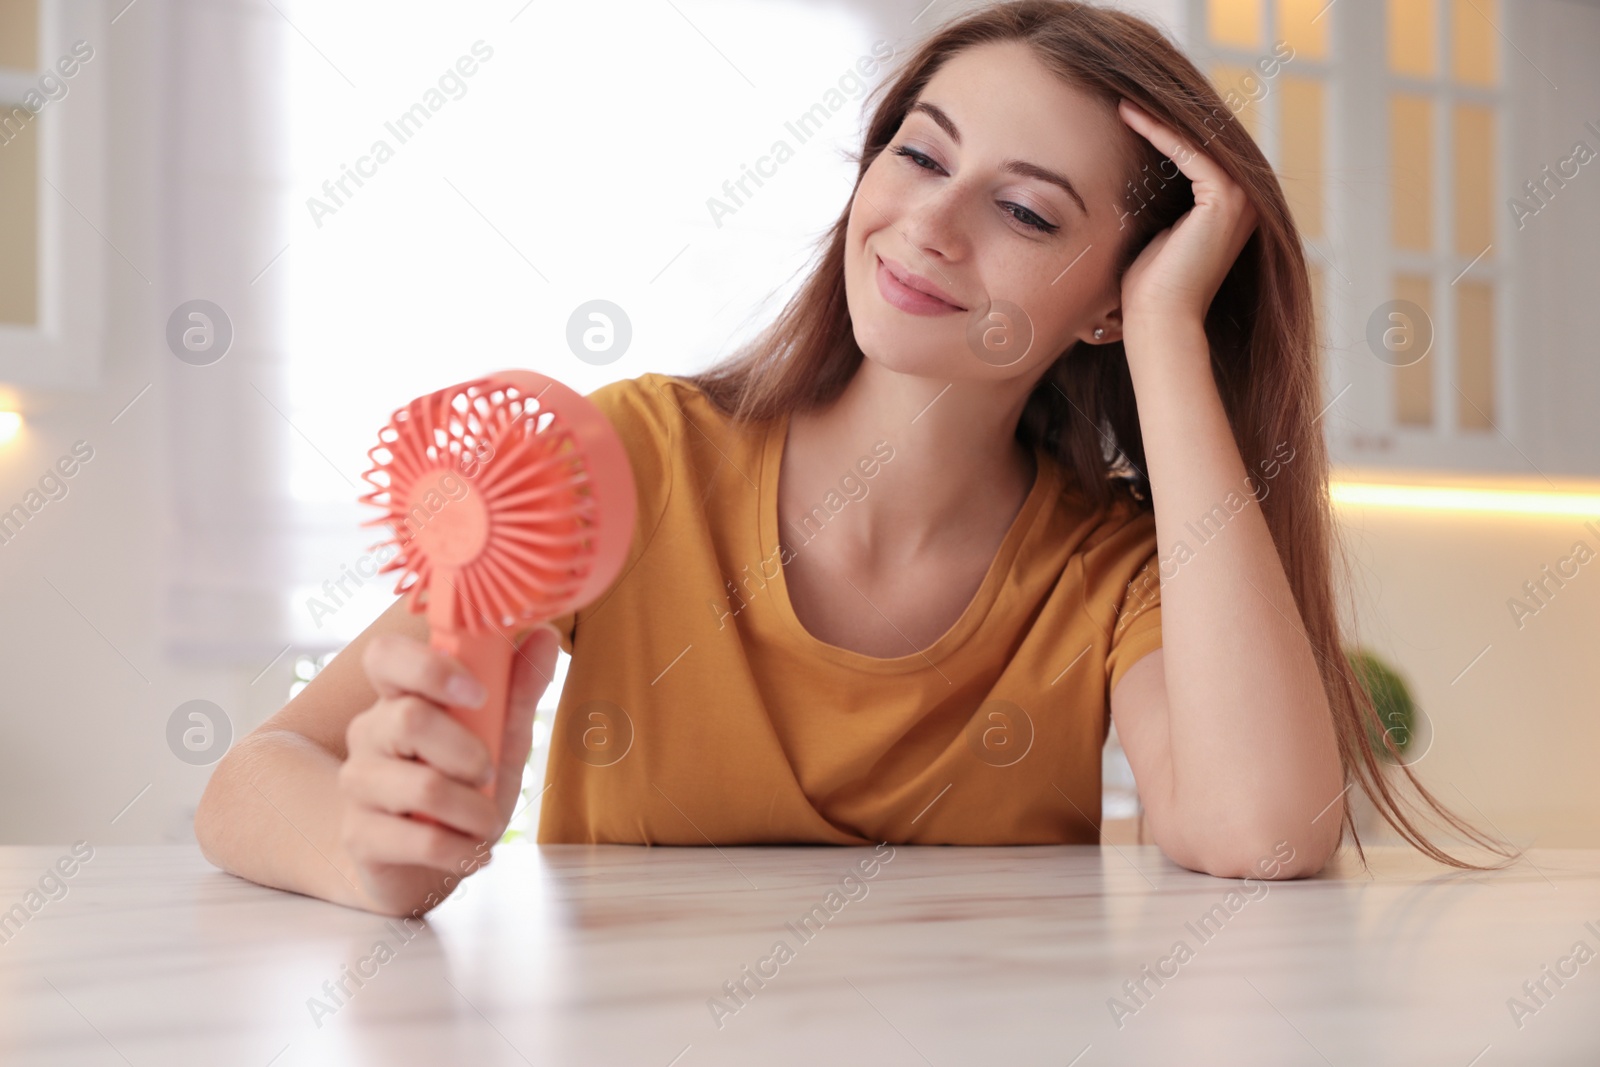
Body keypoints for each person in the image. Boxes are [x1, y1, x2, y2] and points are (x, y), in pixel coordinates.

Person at [195, 0, 1513, 917]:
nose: (926, 222)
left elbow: (1263, 833)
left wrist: (1166, 330)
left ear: (1111, 295)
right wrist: (373, 855)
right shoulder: (632, 459)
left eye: (1023, 208)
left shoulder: (1112, 573)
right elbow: (256, 778)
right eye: (916, 152)